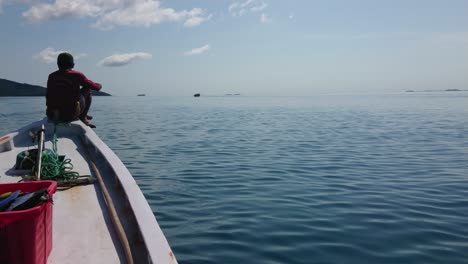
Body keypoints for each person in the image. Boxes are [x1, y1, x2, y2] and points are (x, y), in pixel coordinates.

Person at [46, 52, 102, 128]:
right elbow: (96, 87)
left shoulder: (52, 76)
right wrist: (99, 85)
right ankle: (83, 117)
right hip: (70, 115)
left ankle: (83, 114)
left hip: (52, 115)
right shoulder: (77, 75)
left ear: (58, 64)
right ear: (72, 64)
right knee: (87, 89)